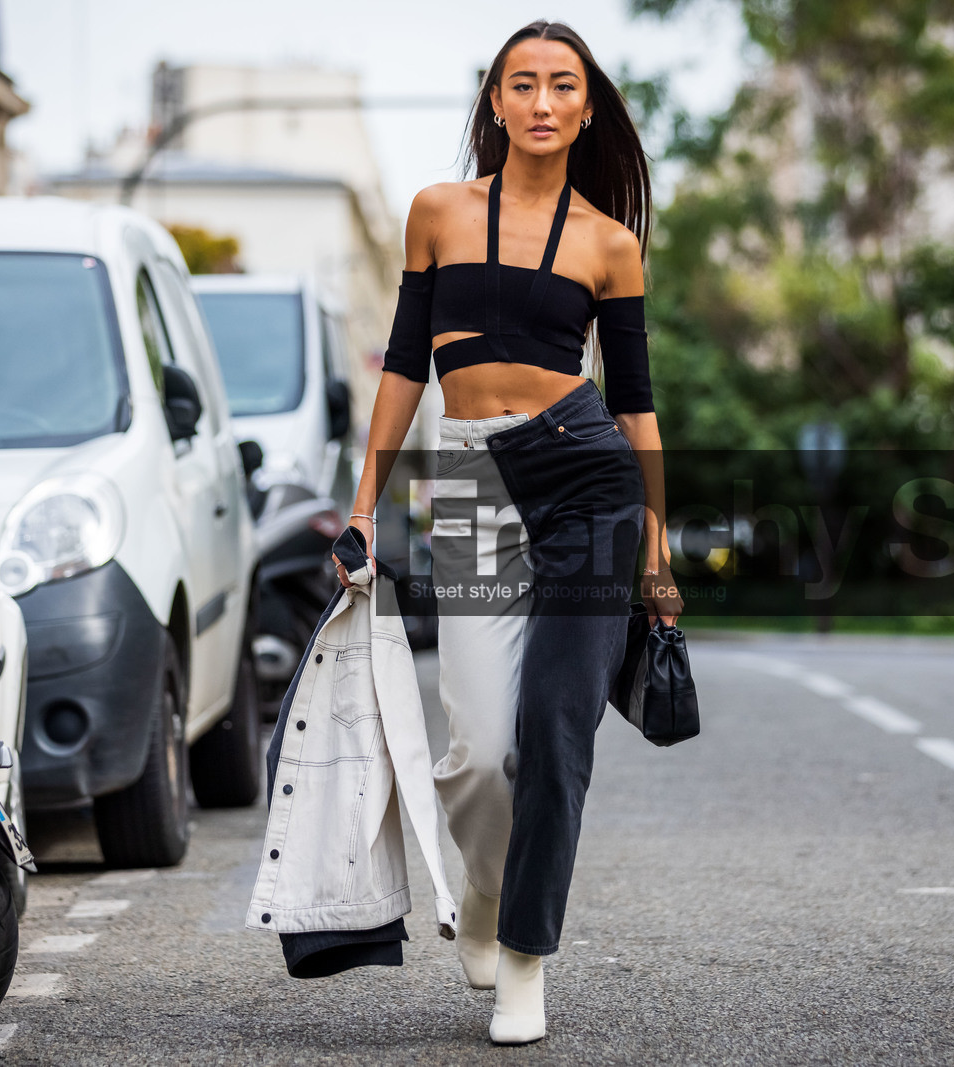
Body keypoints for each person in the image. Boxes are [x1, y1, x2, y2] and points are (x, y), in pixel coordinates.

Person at [331, 19, 683, 1045]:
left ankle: (525, 956)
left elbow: (637, 403)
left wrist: (655, 539)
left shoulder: (608, 243)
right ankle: (482, 899)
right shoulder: (436, 212)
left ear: (584, 106)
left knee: (554, 736)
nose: (539, 101)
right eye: (519, 84)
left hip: (587, 480)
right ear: (494, 103)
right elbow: (403, 364)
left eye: (559, 85)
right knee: (480, 748)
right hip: (477, 478)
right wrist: (364, 503)